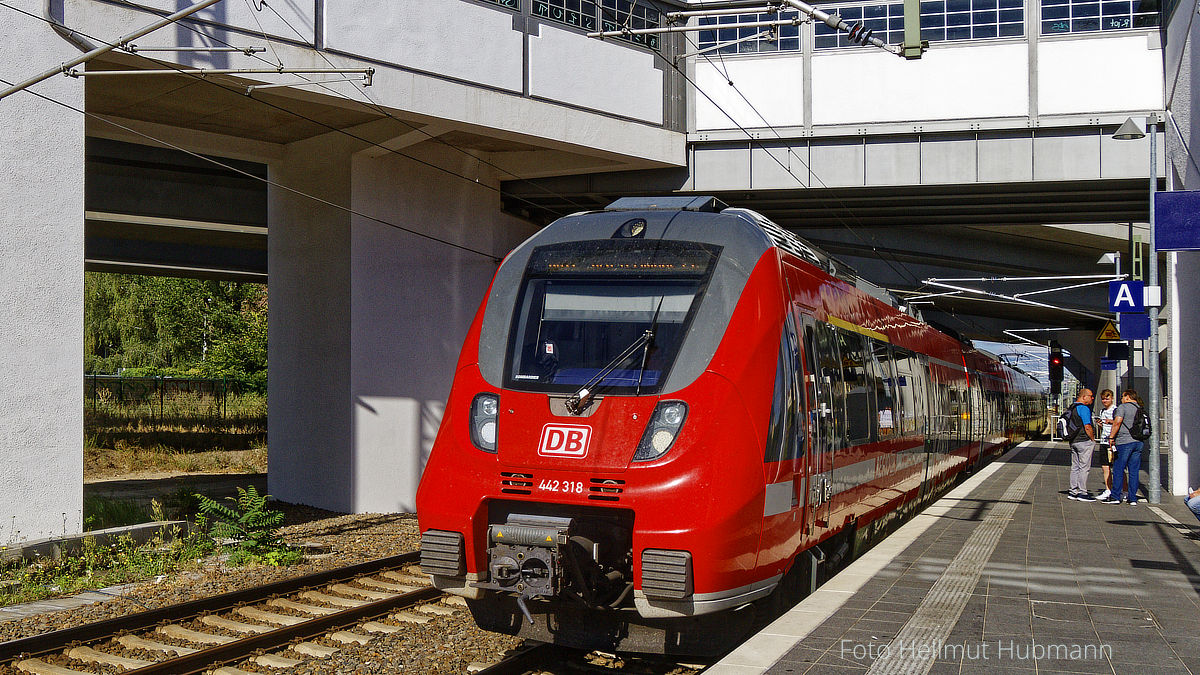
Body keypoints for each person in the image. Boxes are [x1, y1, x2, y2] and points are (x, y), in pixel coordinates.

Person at [1103, 389, 1143, 505]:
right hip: (1138, 442)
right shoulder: (1140, 408)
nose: (1121, 399)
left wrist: (1111, 437)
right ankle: (1132, 498)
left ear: (1127, 397)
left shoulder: (1123, 407)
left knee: (1118, 469)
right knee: (1134, 471)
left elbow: (1117, 422)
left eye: (1122, 396)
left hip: (1124, 442)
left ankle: (1115, 496)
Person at [1066, 388, 1097, 502]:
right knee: (1084, 467)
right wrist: (1092, 439)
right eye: (1091, 396)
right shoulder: (1083, 408)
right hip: (1084, 441)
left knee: (1075, 467)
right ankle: (1082, 493)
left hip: (1073, 441)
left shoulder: (1072, 407)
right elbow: (1087, 426)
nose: (1092, 398)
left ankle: (1073, 491)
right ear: (1084, 397)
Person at [1095, 390, 1117, 501]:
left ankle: (1123, 490)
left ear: (1112, 398)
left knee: (1117, 467)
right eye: (1103, 399)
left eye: (1107, 398)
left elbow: (1119, 423)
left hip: (1112, 442)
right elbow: (1104, 427)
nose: (1105, 401)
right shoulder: (1102, 411)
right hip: (1103, 441)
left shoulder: (1116, 410)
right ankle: (1108, 489)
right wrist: (1100, 424)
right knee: (1105, 466)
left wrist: (1111, 421)